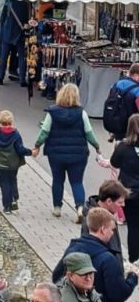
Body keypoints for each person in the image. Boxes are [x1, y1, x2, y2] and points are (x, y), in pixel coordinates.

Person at [33, 83, 100, 220]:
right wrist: (97, 146)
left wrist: (37, 145)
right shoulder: (82, 113)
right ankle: (80, 208)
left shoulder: (52, 112)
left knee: (58, 180)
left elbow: (44, 132)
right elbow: (89, 133)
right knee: (77, 181)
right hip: (78, 154)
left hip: (55, 153)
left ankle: (57, 208)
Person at [52, 207, 138, 302]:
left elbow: (57, 278)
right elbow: (118, 294)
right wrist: (133, 277)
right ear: (103, 229)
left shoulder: (73, 249)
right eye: (112, 229)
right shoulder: (108, 259)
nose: (112, 233)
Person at [110, 116, 139, 261]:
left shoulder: (123, 147)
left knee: (133, 227)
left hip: (130, 192)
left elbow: (114, 162)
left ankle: (134, 258)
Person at [0, 108, 32, 212]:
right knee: (13, 180)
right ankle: (14, 197)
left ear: (0, 121)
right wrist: (30, 152)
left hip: (1, 163)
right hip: (13, 164)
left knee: (4, 183)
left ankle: (7, 206)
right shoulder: (15, 134)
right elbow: (20, 149)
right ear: (11, 121)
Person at [80, 180, 127, 267]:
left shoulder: (108, 215)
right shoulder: (94, 220)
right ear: (109, 201)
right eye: (120, 202)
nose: (123, 205)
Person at [0, 0, 29, 86]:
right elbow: (26, 19)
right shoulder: (24, 4)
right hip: (19, 34)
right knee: (21, 57)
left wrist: (1, 34)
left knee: (4, 56)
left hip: (7, 32)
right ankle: (22, 80)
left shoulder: (8, 2)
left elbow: (3, 18)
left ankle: (0, 77)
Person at [103, 62, 139, 141]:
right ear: (136, 75)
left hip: (116, 124)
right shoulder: (137, 90)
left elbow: (108, 99)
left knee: (119, 144)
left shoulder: (116, 84)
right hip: (130, 128)